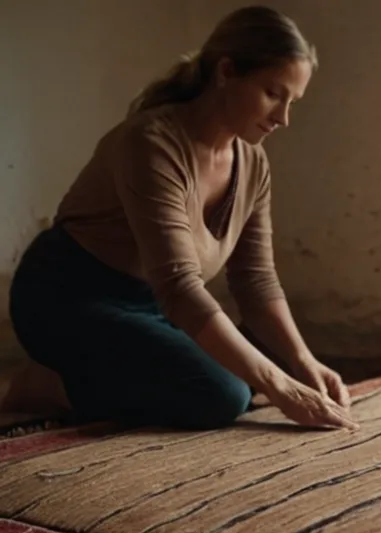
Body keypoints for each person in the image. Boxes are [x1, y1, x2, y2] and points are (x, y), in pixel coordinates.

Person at [4, 5, 359, 433]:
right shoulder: (151, 143)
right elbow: (179, 286)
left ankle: (101, 374)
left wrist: (303, 362)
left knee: (254, 373)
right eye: (273, 93)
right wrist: (278, 385)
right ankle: (51, 385)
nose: (283, 118)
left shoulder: (253, 163)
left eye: (292, 101)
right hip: (69, 296)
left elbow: (255, 279)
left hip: (152, 304)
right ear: (226, 72)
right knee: (221, 394)